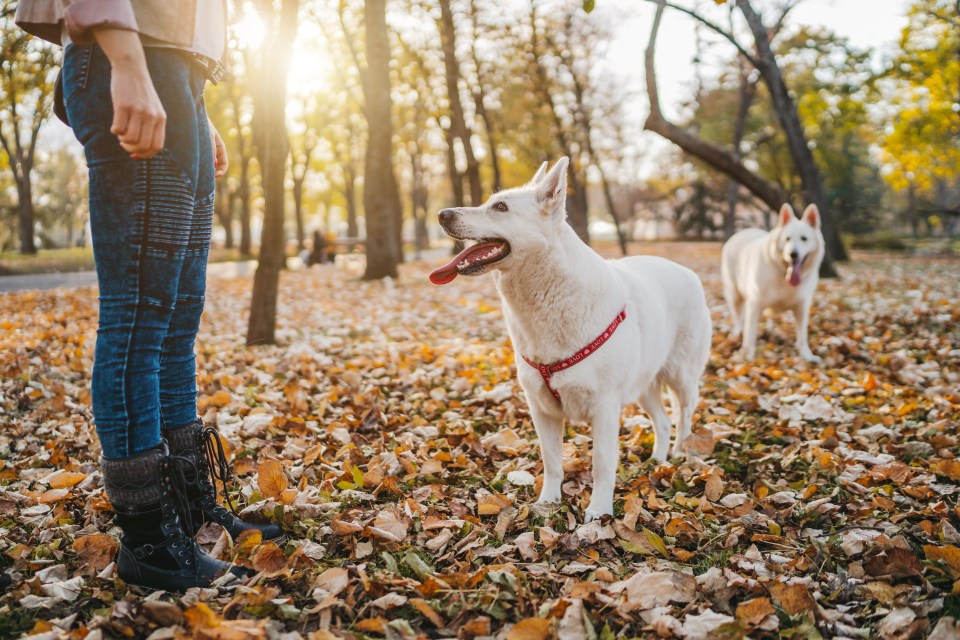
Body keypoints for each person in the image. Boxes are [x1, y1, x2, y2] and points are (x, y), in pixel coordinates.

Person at [15, 1, 282, 591]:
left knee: (178, 315)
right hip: (130, 56)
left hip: (177, 70)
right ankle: (149, 540)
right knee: (139, 314)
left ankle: (185, 511)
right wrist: (128, 63)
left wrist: (191, 99)